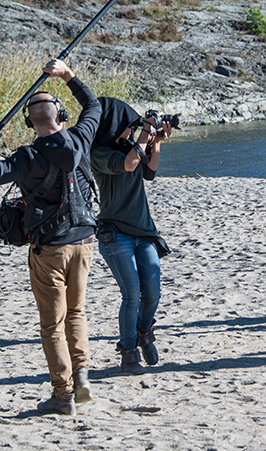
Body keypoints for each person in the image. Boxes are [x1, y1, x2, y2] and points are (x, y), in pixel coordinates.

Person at [0, 59, 100, 416]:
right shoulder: (80, 136)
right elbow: (93, 106)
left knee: (52, 323)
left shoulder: (28, 156)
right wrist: (68, 75)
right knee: (77, 312)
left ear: (31, 122)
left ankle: (62, 395)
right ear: (61, 115)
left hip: (50, 249)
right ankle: (83, 376)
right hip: (85, 242)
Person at [90, 98, 171, 375]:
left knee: (153, 292)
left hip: (143, 231)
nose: (132, 130)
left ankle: (144, 331)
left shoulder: (131, 146)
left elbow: (149, 172)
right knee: (132, 295)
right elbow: (128, 164)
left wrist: (156, 139)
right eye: (129, 126)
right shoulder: (98, 152)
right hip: (116, 234)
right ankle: (128, 353)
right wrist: (145, 133)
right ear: (114, 126)